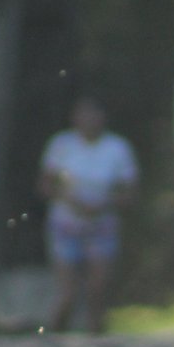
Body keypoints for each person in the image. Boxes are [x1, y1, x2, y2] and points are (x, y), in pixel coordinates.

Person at [37, 94, 138, 334]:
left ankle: (95, 338)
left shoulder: (117, 148)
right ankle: (53, 336)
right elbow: (45, 185)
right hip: (67, 224)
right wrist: (71, 201)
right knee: (68, 293)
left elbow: (130, 192)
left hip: (101, 224)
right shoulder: (62, 145)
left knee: (98, 289)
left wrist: (104, 204)